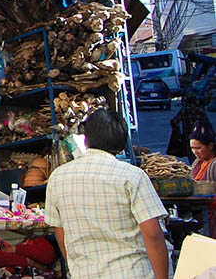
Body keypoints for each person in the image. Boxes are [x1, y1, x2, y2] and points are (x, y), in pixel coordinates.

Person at [45, 109, 169, 279]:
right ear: (121, 144)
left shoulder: (57, 177)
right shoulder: (133, 176)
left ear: (86, 139)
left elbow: (60, 233)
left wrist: (77, 270)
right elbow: (153, 234)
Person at [189, 120, 216, 238]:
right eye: (192, 148)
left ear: (210, 146)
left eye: (198, 148)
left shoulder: (214, 165)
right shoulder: (197, 163)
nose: (195, 152)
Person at [169, 95, 212, 163]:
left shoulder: (184, 111)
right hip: (201, 138)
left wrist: (176, 131)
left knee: (192, 155)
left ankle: (194, 170)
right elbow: (207, 124)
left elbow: (174, 121)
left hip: (188, 138)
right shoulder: (200, 110)